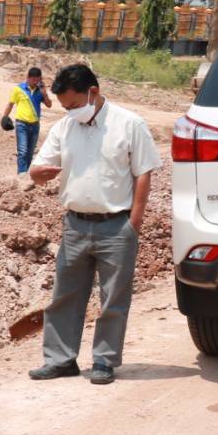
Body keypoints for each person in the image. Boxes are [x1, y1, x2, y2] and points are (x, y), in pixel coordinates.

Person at [28, 63, 159, 385]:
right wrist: (38, 174)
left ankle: (104, 360)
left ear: (93, 93)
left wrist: (134, 223)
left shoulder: (129, 124)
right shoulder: (64, 127)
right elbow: (38, 169)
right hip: (75, 225)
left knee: (113, 298)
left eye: (74, 105)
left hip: (116, 225)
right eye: (65, 107)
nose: (70, 112)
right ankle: (60, 360)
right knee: (65, 295)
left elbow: (143, 173)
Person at [0, 65, 53, 175]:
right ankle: (22, 174)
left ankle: (25, 174)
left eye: (38, 80)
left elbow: (49, 105)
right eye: (33, 80)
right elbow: (10, 104)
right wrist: (4, 117)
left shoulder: (40, 91)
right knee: (22, 151)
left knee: (30, 152)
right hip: (21, 124)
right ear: (28, 78)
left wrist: (45, 93)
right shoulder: (18, 89)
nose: (35, 82)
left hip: (35, 125)